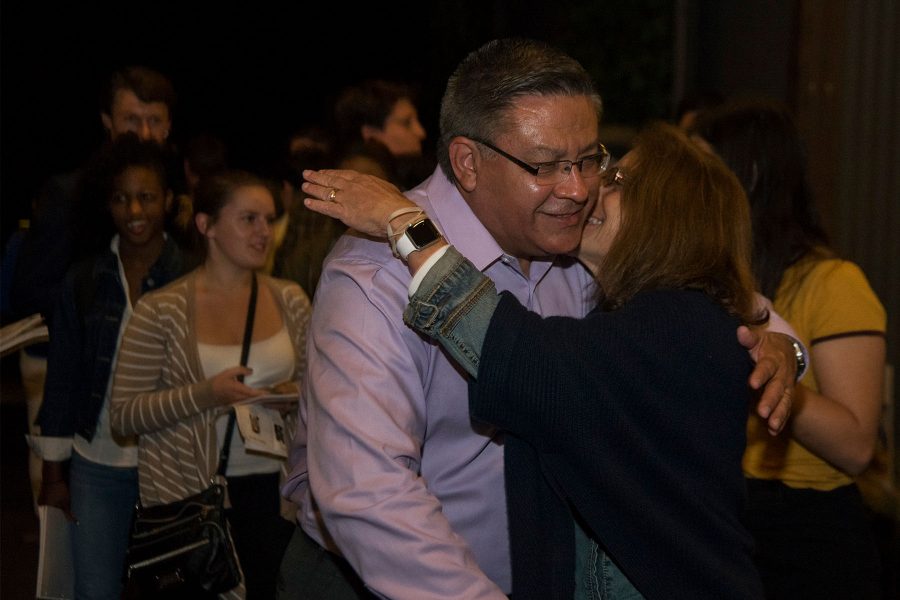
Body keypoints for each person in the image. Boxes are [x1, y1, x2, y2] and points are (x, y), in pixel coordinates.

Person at [279, 38, 799, 600]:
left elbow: (727, 299)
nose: (578, 190)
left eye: (589, 160)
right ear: (467, 162)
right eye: (547, 165)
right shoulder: (375, 276)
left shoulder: (581, 251)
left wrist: (782, 348)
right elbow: (370, 495)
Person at [692, 98, 886, 599]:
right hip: (726, 511)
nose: (692, 191)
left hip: (807, 529)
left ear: (750, 175)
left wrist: (779, 372)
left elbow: (857, 446)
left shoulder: (834, 283)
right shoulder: (714, 277)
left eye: (705, 170)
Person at [110, 170, 312, 599]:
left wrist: (287, 395)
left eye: (269, 219)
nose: (264, 232)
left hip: (278, 495)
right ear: (207, 225)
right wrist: (208, 394)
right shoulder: (161, 310)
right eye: (249, 219)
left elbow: (321, 388)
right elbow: (124, 414)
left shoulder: (290, 298)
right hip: (195, 500)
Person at [11, 66, 178, 513]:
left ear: (170, 124)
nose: (143, 133)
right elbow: (31, 289)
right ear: (107, 121)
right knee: (71, 521)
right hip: (69, 371)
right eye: (131, 120)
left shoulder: (181, 191)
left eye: (154, 121)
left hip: (159, 389)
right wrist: (105, 309)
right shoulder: (71, 192)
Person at [30, 134, 185, 600]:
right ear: (107, 205)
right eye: (120, 198)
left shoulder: (192, 275)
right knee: (95, 589)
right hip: (96, 463)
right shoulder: (85, 279)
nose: (134, 211)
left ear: (169, 200)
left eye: (146, 197)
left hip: (172, 467)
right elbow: (62, 381)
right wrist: (54, 476)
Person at [332, 79, 432, 189]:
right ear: (370, 133)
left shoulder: (394, 172)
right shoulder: (365, 178)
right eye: (406, 123)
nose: (420, 132)